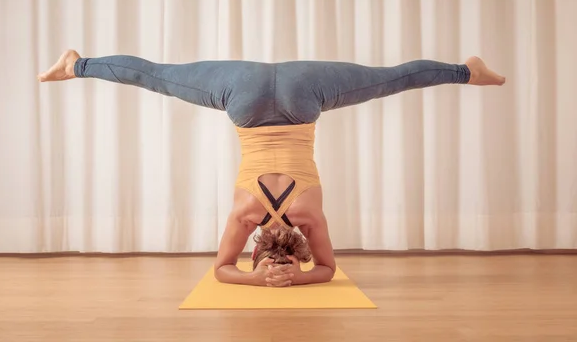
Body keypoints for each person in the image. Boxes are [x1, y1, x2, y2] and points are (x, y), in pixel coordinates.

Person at [37, 50, 505, 287]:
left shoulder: (309, 220)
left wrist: (297, 277)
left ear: (291, 249)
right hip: (242, 96)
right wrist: (253, 279)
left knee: (392, 80)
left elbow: (327, 268)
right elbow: (221, 269)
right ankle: (77, 65)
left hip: (305, 94)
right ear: (257, 246)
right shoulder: (245, 218)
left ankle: (467, 71)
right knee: (158, 76)